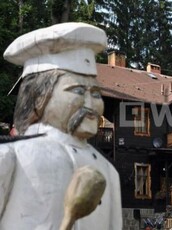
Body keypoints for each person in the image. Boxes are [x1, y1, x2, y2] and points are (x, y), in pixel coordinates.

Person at [0, 22, 122, 230]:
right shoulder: (11, 156)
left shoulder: (108, 171)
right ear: (39, 96)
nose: (91, 104)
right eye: (77, 91)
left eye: (95, 94)